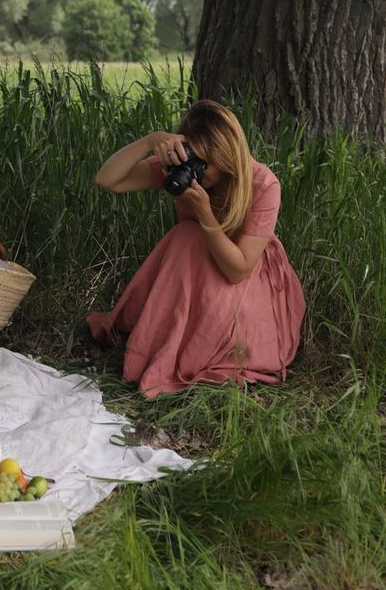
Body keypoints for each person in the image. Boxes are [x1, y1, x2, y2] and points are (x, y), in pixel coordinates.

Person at [87, 99, 305, 396]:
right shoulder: (185, 170)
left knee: (190, 235)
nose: (199, 173)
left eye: (205, 164)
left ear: (226, 156)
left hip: (248, 276)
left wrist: (205, 213)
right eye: (193, 161)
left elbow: (238, 270)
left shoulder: (263, 184)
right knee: (186, 236)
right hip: (196, 265)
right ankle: (171, 343)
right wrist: (151, 141)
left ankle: (193, 349)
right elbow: (107, 179)